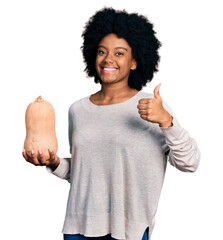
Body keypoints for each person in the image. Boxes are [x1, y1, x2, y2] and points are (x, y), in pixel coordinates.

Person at [22, 7, 200, 240]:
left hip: (128, 231)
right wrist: (55, 163)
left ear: (135, 61)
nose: (108, 59)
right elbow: (83, 174)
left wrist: (167, 121)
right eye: (102, 51)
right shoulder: (78, 110)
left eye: (119, 53)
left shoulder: (152, 106)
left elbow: (190, 162)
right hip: (78, 229)